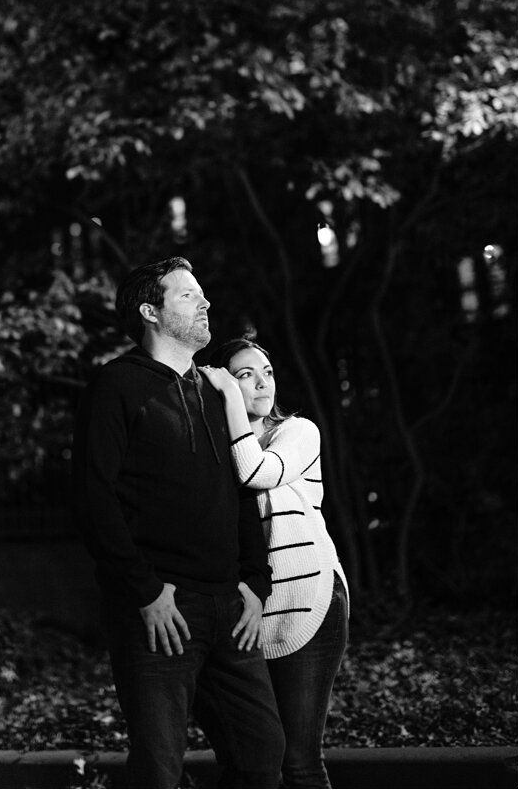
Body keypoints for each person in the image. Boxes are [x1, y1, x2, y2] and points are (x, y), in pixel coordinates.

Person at [73, 257, 284, 787]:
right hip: (160, 608)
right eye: (188, 295)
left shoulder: (213, 391)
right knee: (160, 765)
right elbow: (92, 498)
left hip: (229, 607)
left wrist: (255, 583)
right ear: (151, 311)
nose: (205, 302)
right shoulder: (116, 386)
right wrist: (144, 591)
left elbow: (238, 489)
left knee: (262, 750)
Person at [200, 337, 349, 788]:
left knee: (300, 760)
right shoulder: (211, 445)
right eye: (244, 375)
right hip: (247, 611)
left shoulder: (298, 432)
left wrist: (226, 394)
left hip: (310, 601)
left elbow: (256, 471)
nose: (262, 382)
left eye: (266, 371)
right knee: (257, 755)